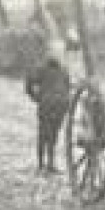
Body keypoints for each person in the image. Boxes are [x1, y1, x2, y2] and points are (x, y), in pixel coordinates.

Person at [25, 42, 72, 175]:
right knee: (43, 135)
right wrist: (37, 98)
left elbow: (67, 86)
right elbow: (29, 84)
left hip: (60, 107)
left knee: (54, 136)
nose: (58, 54)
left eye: (61, 51)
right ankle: (40, 165)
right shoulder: (41, 68)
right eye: (55, 51)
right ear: (49, 52)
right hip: (46, 107)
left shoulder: (64, 69)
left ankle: (51, 164)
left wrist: (66, 101)